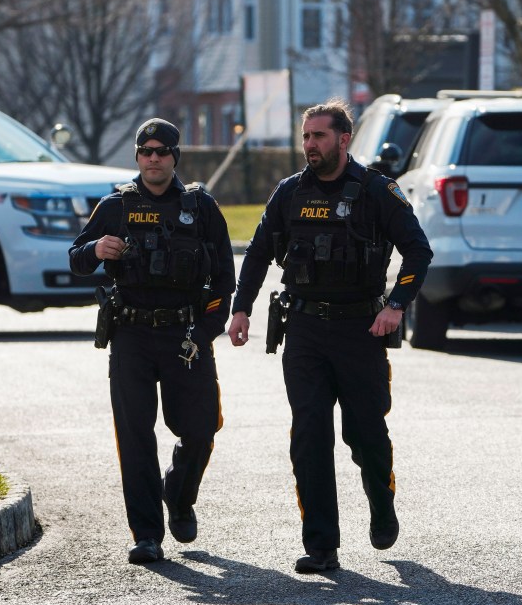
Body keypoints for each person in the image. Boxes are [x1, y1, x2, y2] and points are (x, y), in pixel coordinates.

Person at [227, 98, 433, 573]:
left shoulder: (377, 190)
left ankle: (381, 506)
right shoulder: (289, 192)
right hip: (303, 331)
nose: (309, 145)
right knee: (309, 435)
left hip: (359, 330)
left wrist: (396, 306)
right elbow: (257, 254)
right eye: (305, 136)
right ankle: (322, 545)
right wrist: (241, 309)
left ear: (343, 139)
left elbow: (418, 253)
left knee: (365, 435)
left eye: (319, 136)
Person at [69, 118, 234, 565]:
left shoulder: (200, 207)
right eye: (146, 151)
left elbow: (224, 280)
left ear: (175, 156)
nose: (154, 158)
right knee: (136, 437)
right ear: (138, 156)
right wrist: (95, 251)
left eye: (162, 151)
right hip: (132, 336)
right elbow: (77, 260)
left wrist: (204, 332)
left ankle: (178, 496)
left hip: (185, 335)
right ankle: (147, 535)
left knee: (200, 430)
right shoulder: (116, 206)